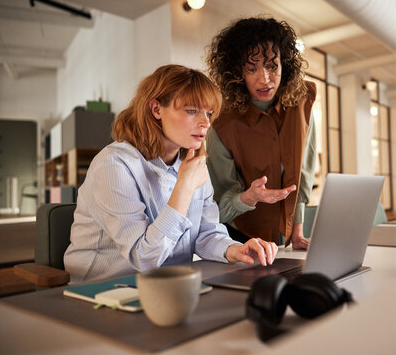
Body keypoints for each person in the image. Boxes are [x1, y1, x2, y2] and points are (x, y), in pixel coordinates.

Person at [64, 64, 278, 283]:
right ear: (156, 109)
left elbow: (206, 233)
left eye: (209, 113)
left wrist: (235, 250)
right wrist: (184, 186)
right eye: (192, 110)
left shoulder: (193, 164)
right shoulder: (113, 166)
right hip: (105, 290)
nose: (205, 122)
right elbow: (144, 258)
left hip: (171, 285)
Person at [206, 17, 316, 250]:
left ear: (285, 64)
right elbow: (220, 207)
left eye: (271, 66)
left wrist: (297, 232)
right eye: (251, 68)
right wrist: (250, 197)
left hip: (287, 241)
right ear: (237, 73)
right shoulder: (220, 122)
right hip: (240, 239)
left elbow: (302, 174)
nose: (264, 79)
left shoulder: (302, 102)